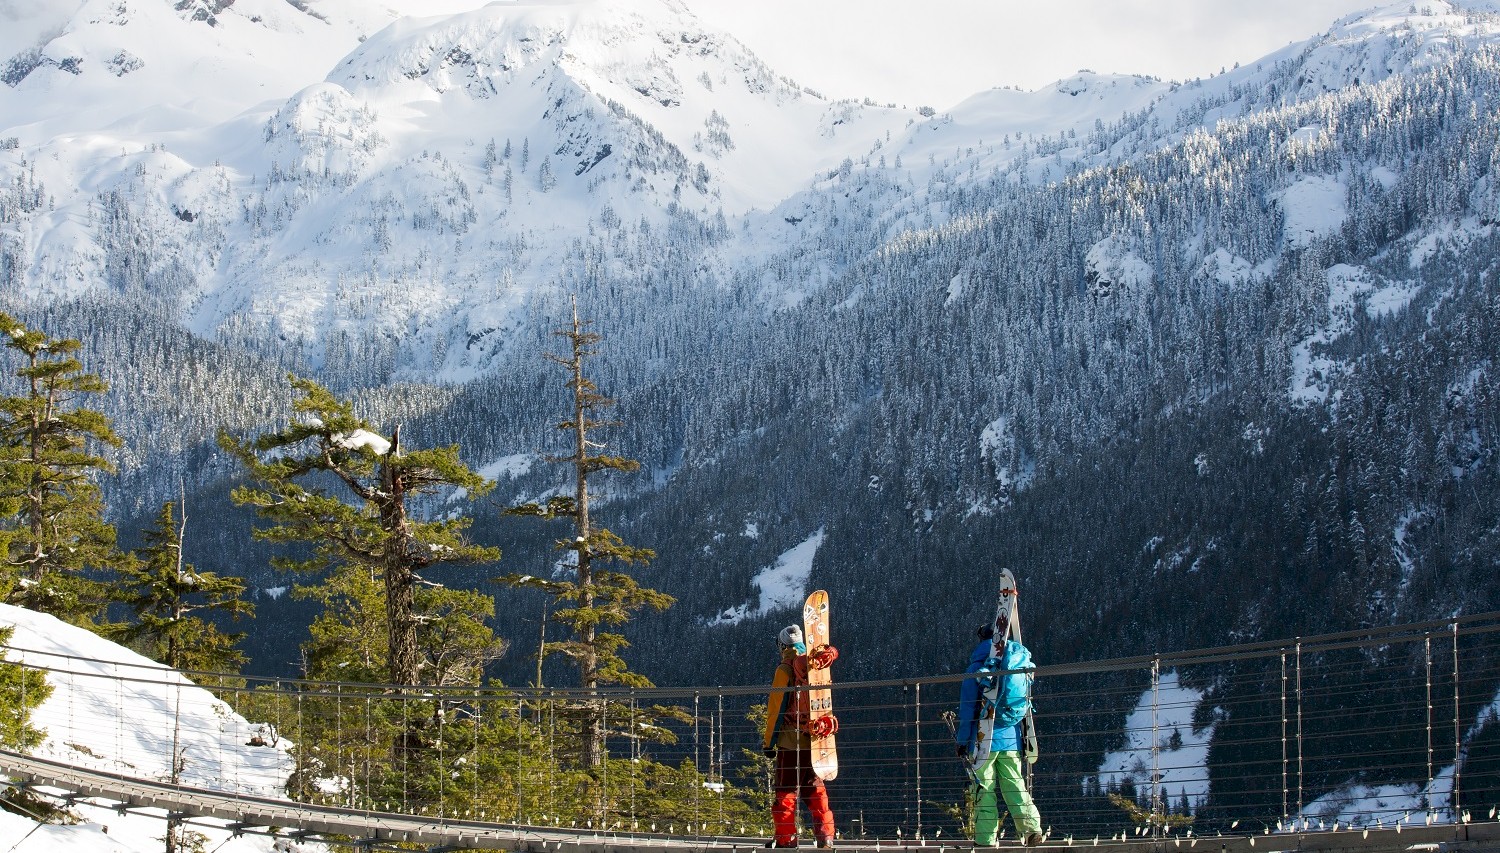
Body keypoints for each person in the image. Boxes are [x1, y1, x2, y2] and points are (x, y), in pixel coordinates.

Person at [954, 619, 1043, 848]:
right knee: (1014, 784)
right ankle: (1031, 829)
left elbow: (968, 708)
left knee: (984, 788)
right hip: (1012, 738)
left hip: (983, 738)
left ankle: (985, 839)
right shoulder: (1018, 664)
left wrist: (962, 741)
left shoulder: (977, 668)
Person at [762, 624, 836, 848]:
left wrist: (769, 743)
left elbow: (776, 709)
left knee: (785, 792)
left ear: (783, 645)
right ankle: (825, 837)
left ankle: (786, 840)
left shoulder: (784, 670)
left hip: (789, 742)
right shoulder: (816, 665)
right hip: (816, 739)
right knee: (815, 790)